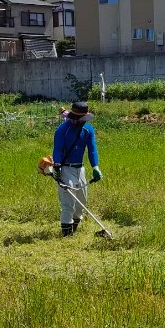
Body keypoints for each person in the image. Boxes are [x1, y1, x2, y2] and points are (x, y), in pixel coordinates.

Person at [51, 101, 102, 237]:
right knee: (68, 203)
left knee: (81, 202)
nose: (80, 122)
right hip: (65, 168)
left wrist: (95, 167)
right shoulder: (62, 130)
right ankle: (67, 236)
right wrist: (57, 165)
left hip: (80, 169)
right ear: (73, 117)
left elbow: (92, 150)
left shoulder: (88, 130)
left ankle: (74, 230)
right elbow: (57, 149)